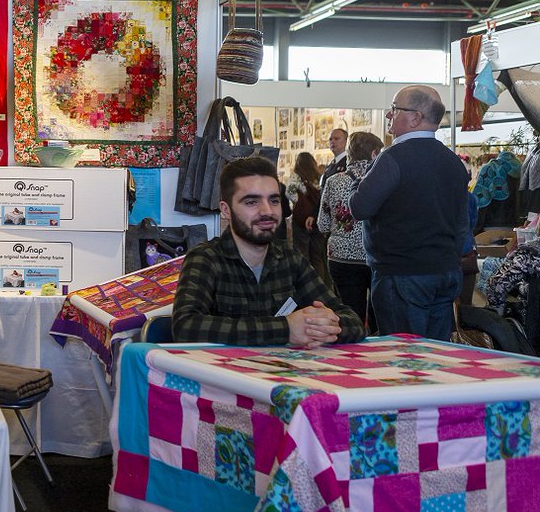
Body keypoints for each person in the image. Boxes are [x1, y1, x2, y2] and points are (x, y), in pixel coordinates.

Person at [172, 155, 365, 347]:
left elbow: (353, 322)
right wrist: (286, 329)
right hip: (226, 376)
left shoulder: (290, 258)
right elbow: (185, 327)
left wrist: (320, 326)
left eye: (273, 200)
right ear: (226, 210)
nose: (267, 211)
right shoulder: (206, 259)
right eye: (251, 202)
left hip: (284, 374)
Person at [349, 85, 470, 339]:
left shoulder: (393, 158)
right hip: (444, 273)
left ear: (416, 117)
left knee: (405, 358)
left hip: (402, 275)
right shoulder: (453, 162)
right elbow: (462, 222)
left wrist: (357, 181)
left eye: (394, 109)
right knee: (436, 354)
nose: (388, 115)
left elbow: (360, 207)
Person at [317, 131, 384, 333]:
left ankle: (351, 353)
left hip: (341, 257)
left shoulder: (333, 181)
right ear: (374, 154)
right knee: (378, 314)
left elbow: (322, 224)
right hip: (375, 256)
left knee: (350, 315)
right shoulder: (382, 181)